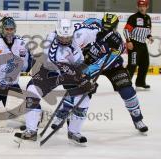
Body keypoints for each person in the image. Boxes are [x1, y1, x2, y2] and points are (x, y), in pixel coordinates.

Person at [51, 14, 148, 143]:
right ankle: (62, 115)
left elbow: (104, 63)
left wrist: (87, 73)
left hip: (111, 66)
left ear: (115, 27)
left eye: (110, 28)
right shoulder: (92, 25)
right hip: (86, 63)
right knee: (78, 90)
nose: (106, 30)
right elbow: (78, 29)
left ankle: (137, 119)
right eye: (104, 27)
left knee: (127, 90)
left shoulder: (117, 42)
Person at [14, 19, 98, 143]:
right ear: (57, 33)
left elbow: (80, 65)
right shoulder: (50, 40)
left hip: (70, 73)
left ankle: (74, 131)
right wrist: (79, 78)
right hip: (50, 71)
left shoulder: (75, 43)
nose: (64, 40)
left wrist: (88, 79)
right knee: (32, 91)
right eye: (62, 37)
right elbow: (56, 64)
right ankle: (31, 130)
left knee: (84, 99)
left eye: (67, 37)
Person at [124, 0, 153, 89]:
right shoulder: (133, 17)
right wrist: (128, 41)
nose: (142, 7)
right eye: (140, 6)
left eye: (144, 6)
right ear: (137, 7)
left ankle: (140, 83)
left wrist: (149, 37)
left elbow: (147, 31)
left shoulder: (148, 18)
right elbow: (126, 30)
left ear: (147, 7)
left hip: (143, 44)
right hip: (134, 43)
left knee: (145, 64)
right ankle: (125, 84)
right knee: (132, 65)